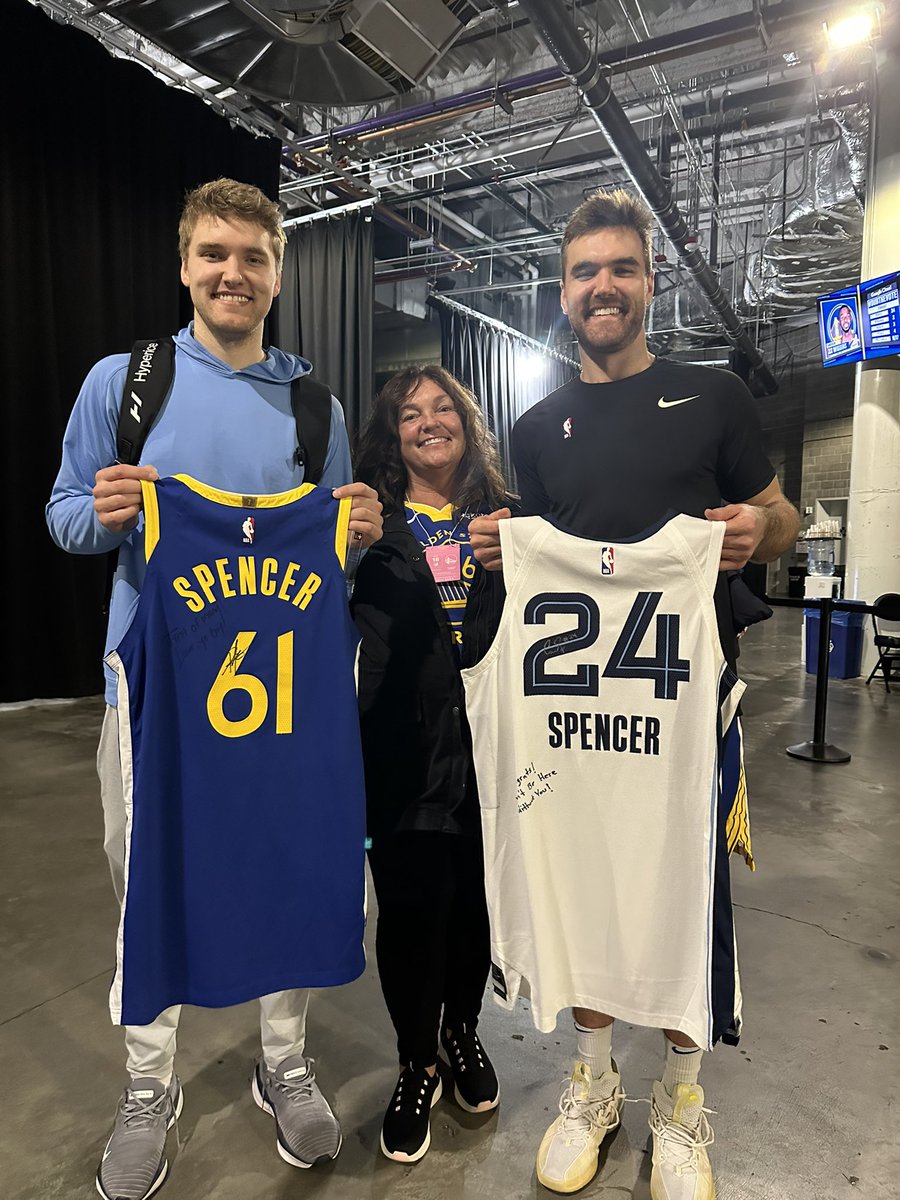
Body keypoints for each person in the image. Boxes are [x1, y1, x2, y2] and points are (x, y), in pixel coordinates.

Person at [46, 177, 383, 1200]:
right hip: (153, 694)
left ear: (278, 274)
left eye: (253, 257)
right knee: (142, 872)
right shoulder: (126, 384)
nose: (233, 274)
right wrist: (105, 512)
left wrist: (359, 537)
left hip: (278, 699)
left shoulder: (315, 407)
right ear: (185, 264)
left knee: (283, 864)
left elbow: (330, 565)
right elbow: (64, 514)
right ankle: (150, 1085)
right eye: (214, 254)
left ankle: (284, 1060)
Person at [468, 187, 799, 1199]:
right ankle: (594, 1082)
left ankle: (682, 1103)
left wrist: (759, 531)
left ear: (651, 282)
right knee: (589, 884)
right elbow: (536, 555)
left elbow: (780, 516)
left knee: (686, 892)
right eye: (584, 273)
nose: (602, 286)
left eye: (621, 268)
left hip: (685, 706)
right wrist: (500, 551)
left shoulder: (713, 398)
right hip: (573, 711)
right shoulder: (537, 427)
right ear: (562, 292)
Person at [350, 366, 507, 1162]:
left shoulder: (506, 520)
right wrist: (346, 553)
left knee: (477, 905)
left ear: (467, 423)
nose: (429, 422)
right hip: (399, 750)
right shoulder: (367, 524)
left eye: (444, 407)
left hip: (495, 753)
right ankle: (417, 1061)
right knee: (411, 911)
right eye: (410, 414)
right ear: (393, 434)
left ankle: (463, 1031)